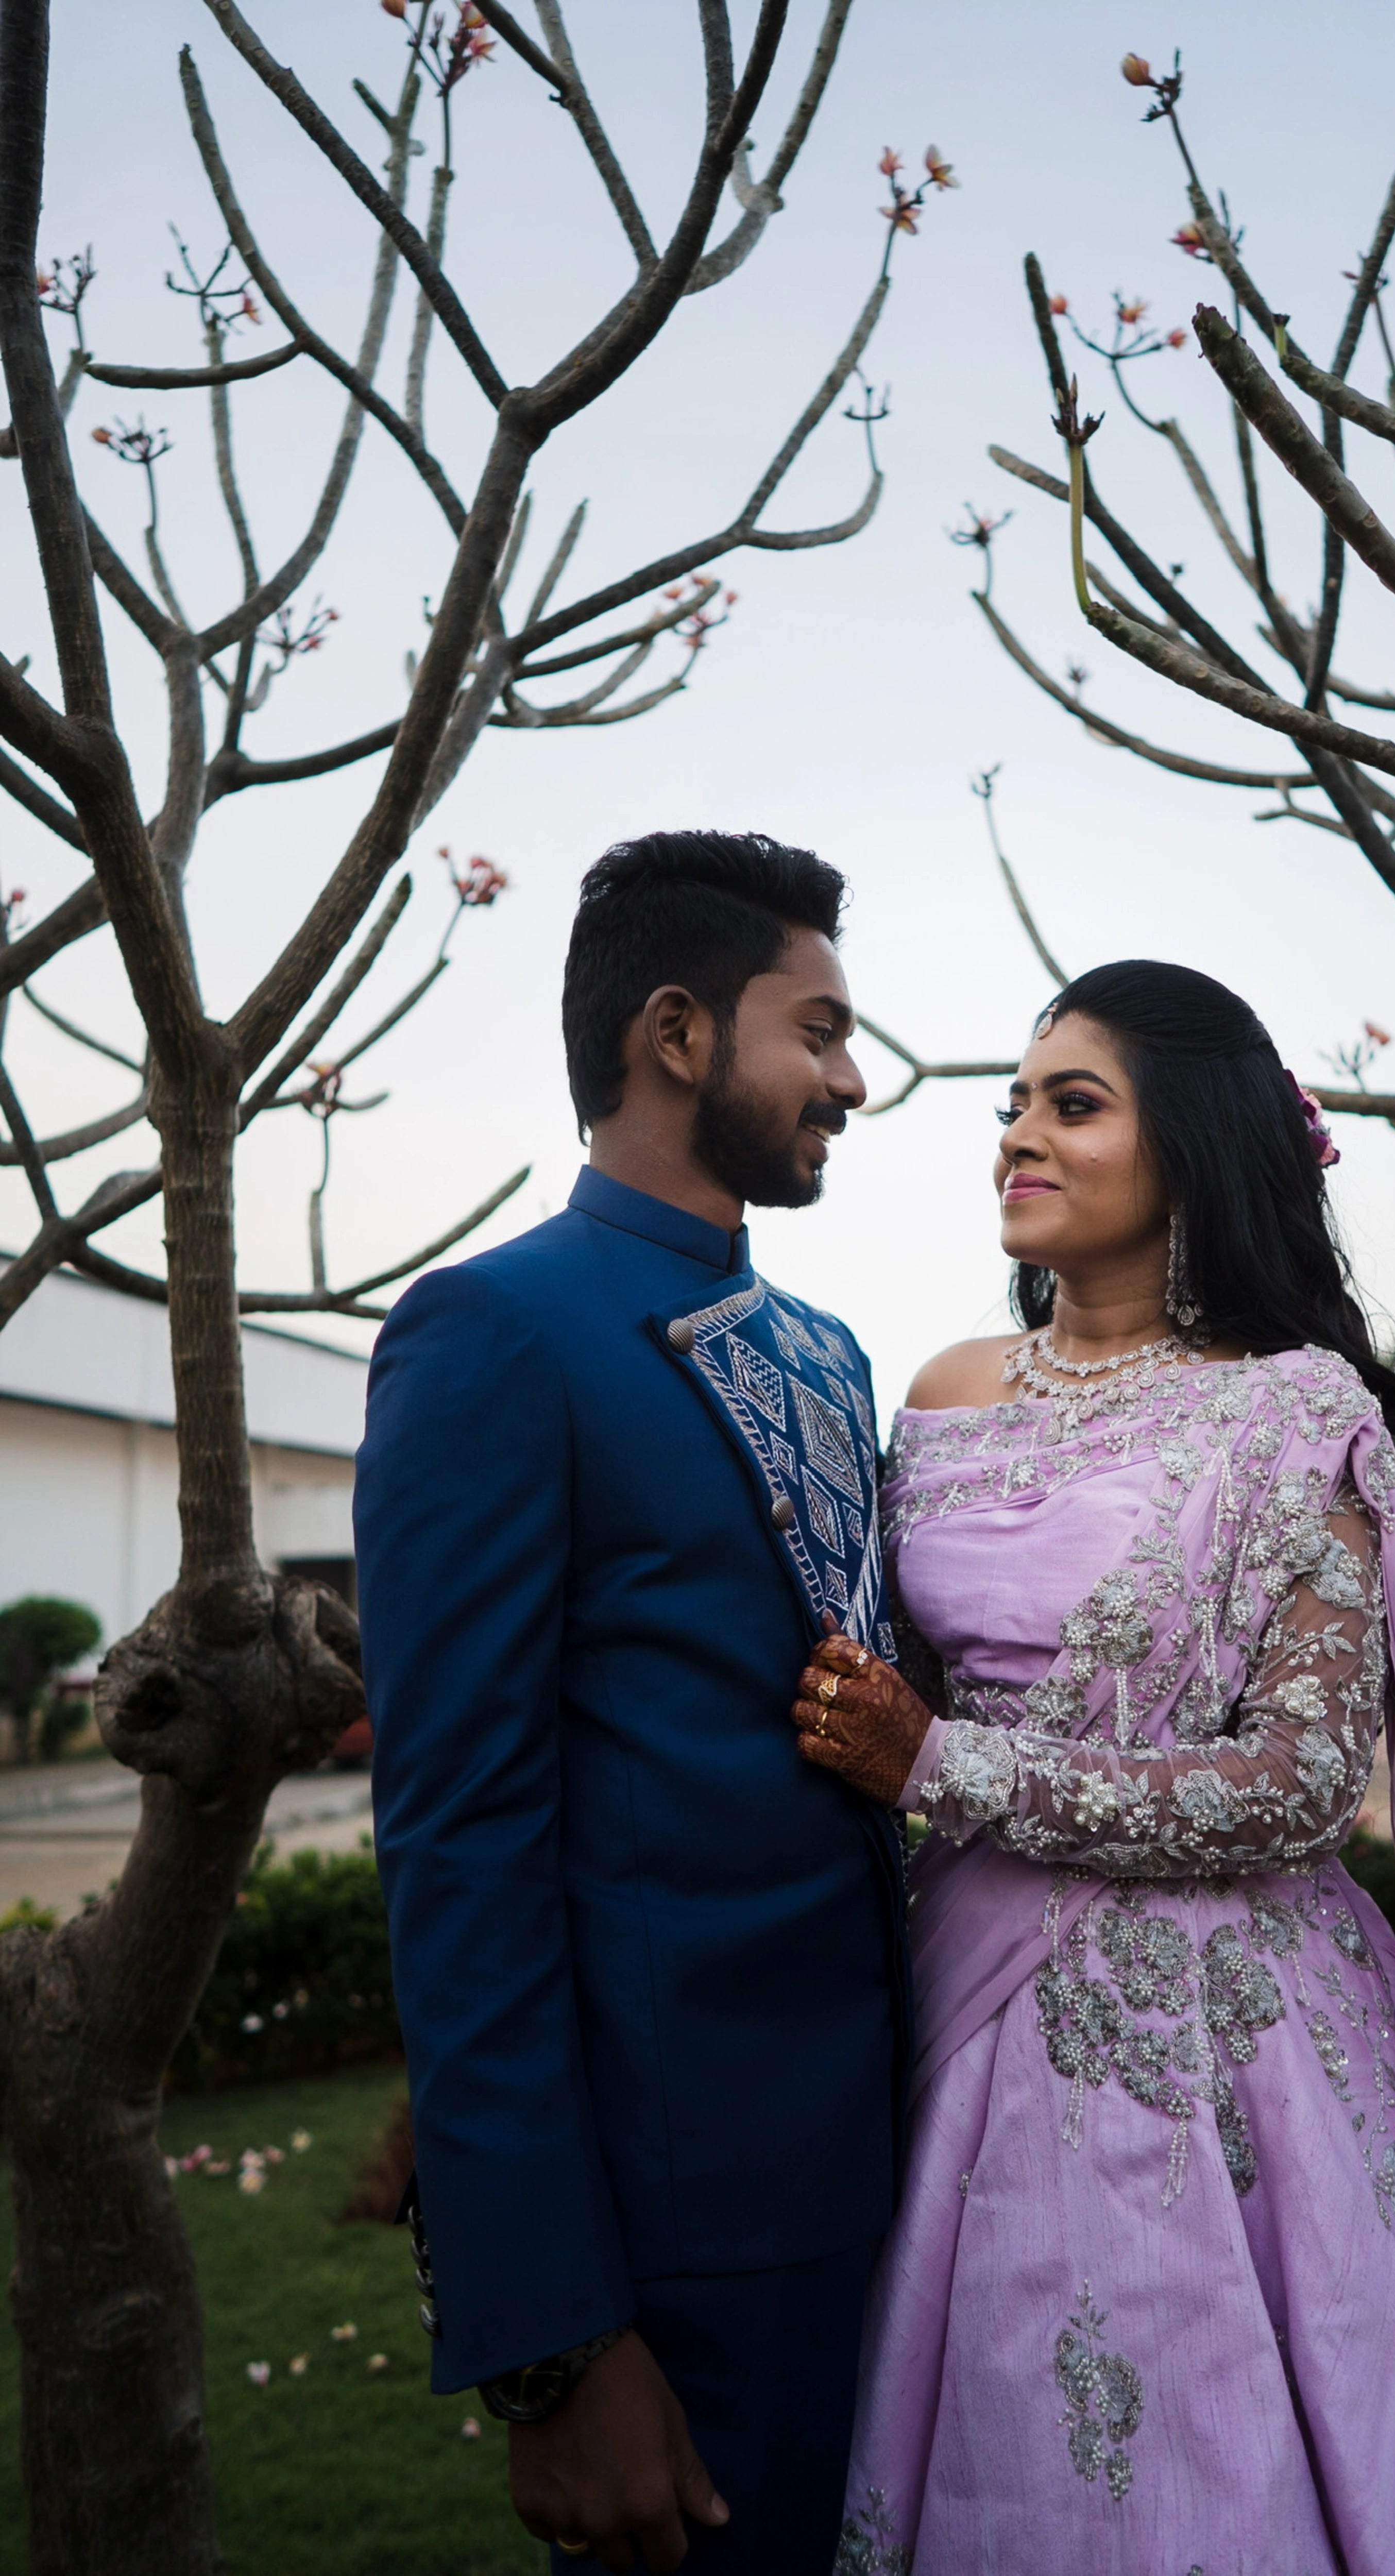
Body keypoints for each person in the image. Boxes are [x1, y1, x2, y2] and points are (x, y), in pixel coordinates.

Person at [791, 961, 1395, 2576]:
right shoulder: (938, 1403)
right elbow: (888, 1705)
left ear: (1189, 1147)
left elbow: (1301, 1780)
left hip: (1228, 2055)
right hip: (960, 2027)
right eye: (1013, 1105)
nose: (1018, 1140)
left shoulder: (1294, 1412)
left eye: (1073, 1104)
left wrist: (945, 1767)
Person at [354, 831, 908, 2575]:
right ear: (678, 1034)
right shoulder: (495, 1333)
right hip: (682, 2245)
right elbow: (458, 1843)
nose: (853, 1080)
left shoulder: (828, 1351)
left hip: (908, 2179)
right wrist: (556, 2341)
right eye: (817, 1033)